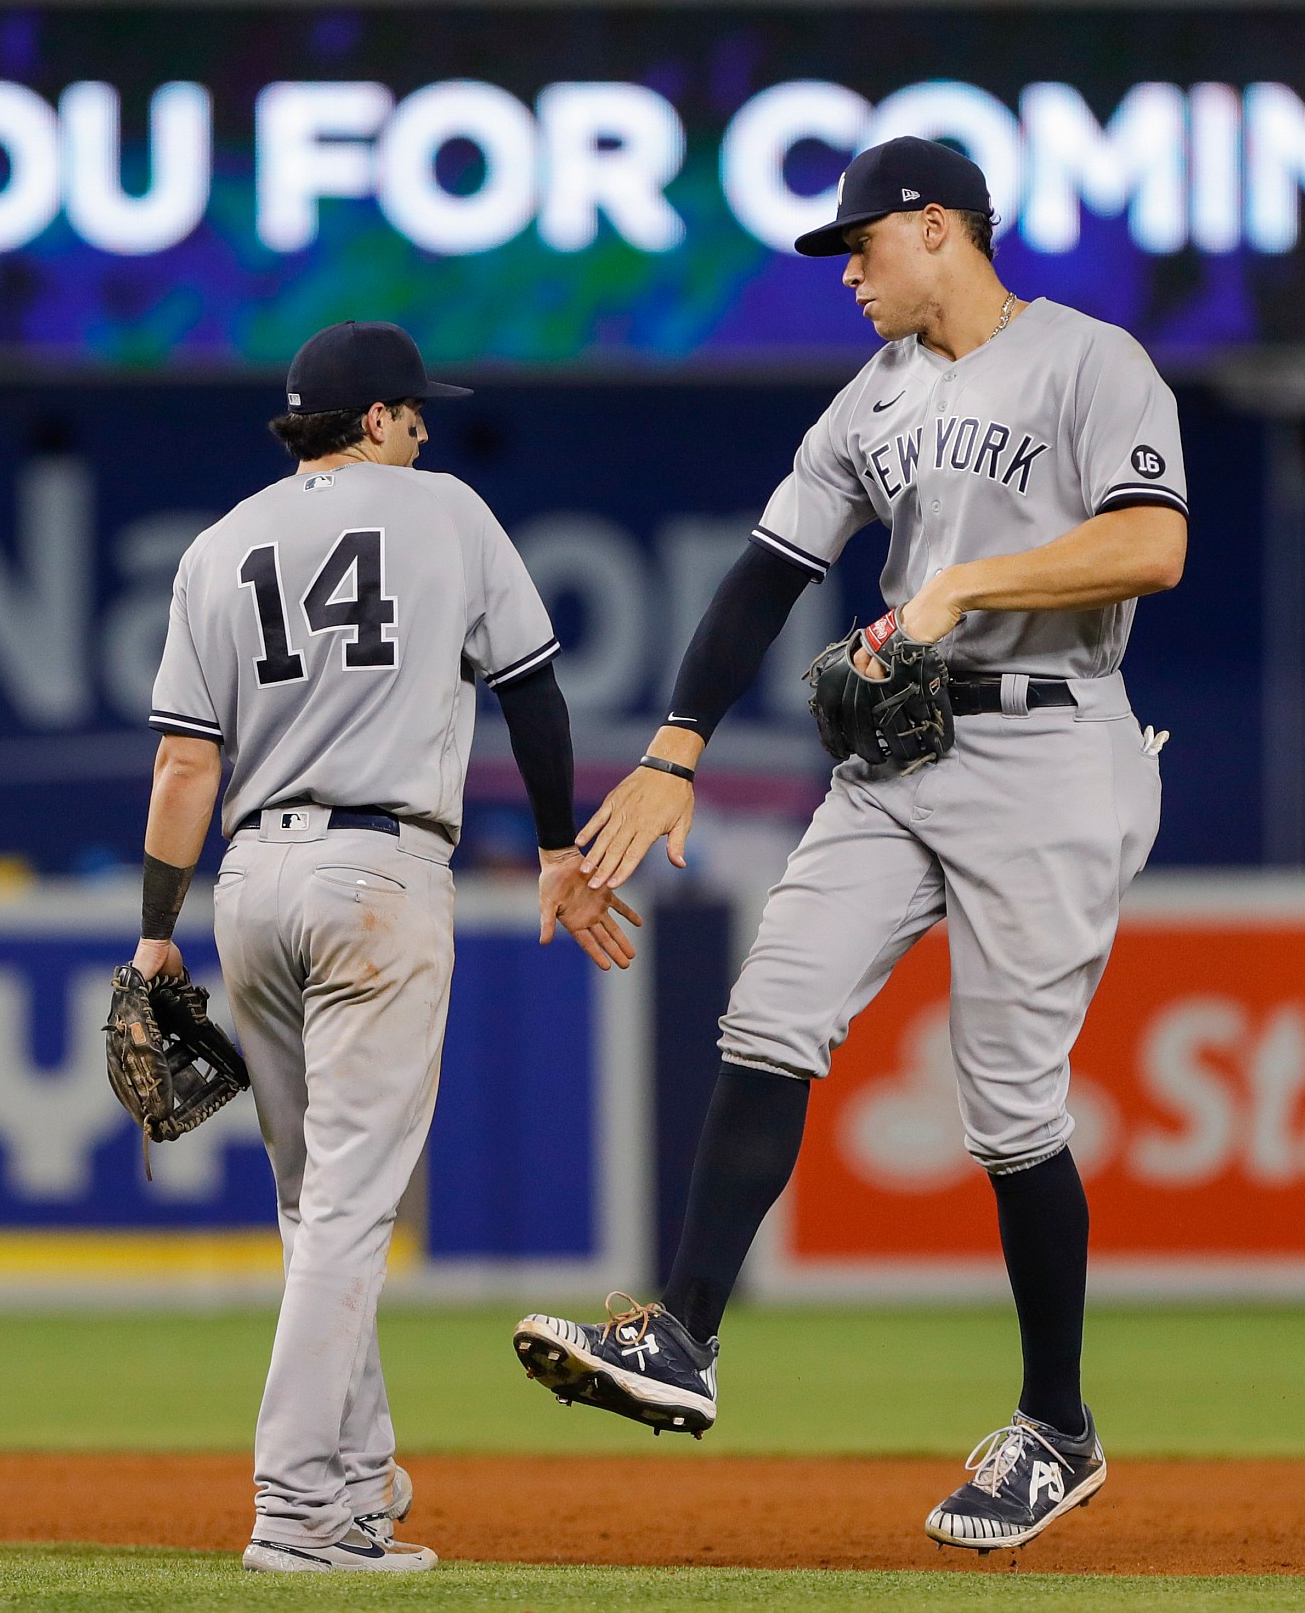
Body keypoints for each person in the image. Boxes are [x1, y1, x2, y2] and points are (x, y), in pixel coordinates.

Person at [508, 137, 1189, 1552]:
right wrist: (677, 748)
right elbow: (767, 574)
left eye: (863, 246)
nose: (851, 274)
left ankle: (1055, 1424)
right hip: (901, 755)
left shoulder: (1090, 362)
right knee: (769, 1010)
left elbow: (1150, 545)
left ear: (937, 227)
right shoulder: (873, 394)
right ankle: (683, 1335)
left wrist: (959, 588)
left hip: (1059, 746)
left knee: (1008, 1105)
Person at [132, 320, 640, 1573]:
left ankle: (358, 1480)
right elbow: (529, 689)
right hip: (379, 872)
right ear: (371, 420)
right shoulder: (448, 514)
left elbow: (184, 762)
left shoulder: (216, 546)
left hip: (248, 884)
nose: (424, 429)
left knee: (315, 1211)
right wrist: (562, 851)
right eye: (412, 412)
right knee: (351, 1213)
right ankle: (297, 1511)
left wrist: (154, 936)